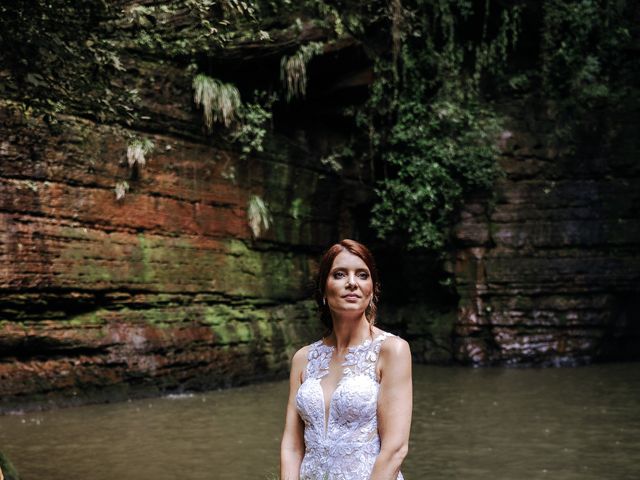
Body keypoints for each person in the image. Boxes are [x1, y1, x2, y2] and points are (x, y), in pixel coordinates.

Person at [280, 239, 412, 480]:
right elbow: (292, 446)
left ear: (372, 289)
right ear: (323, 289)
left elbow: (395, 449)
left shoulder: (393, 350)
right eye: (340, 274)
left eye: (362, 275)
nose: (352, 283)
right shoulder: (303, 358)